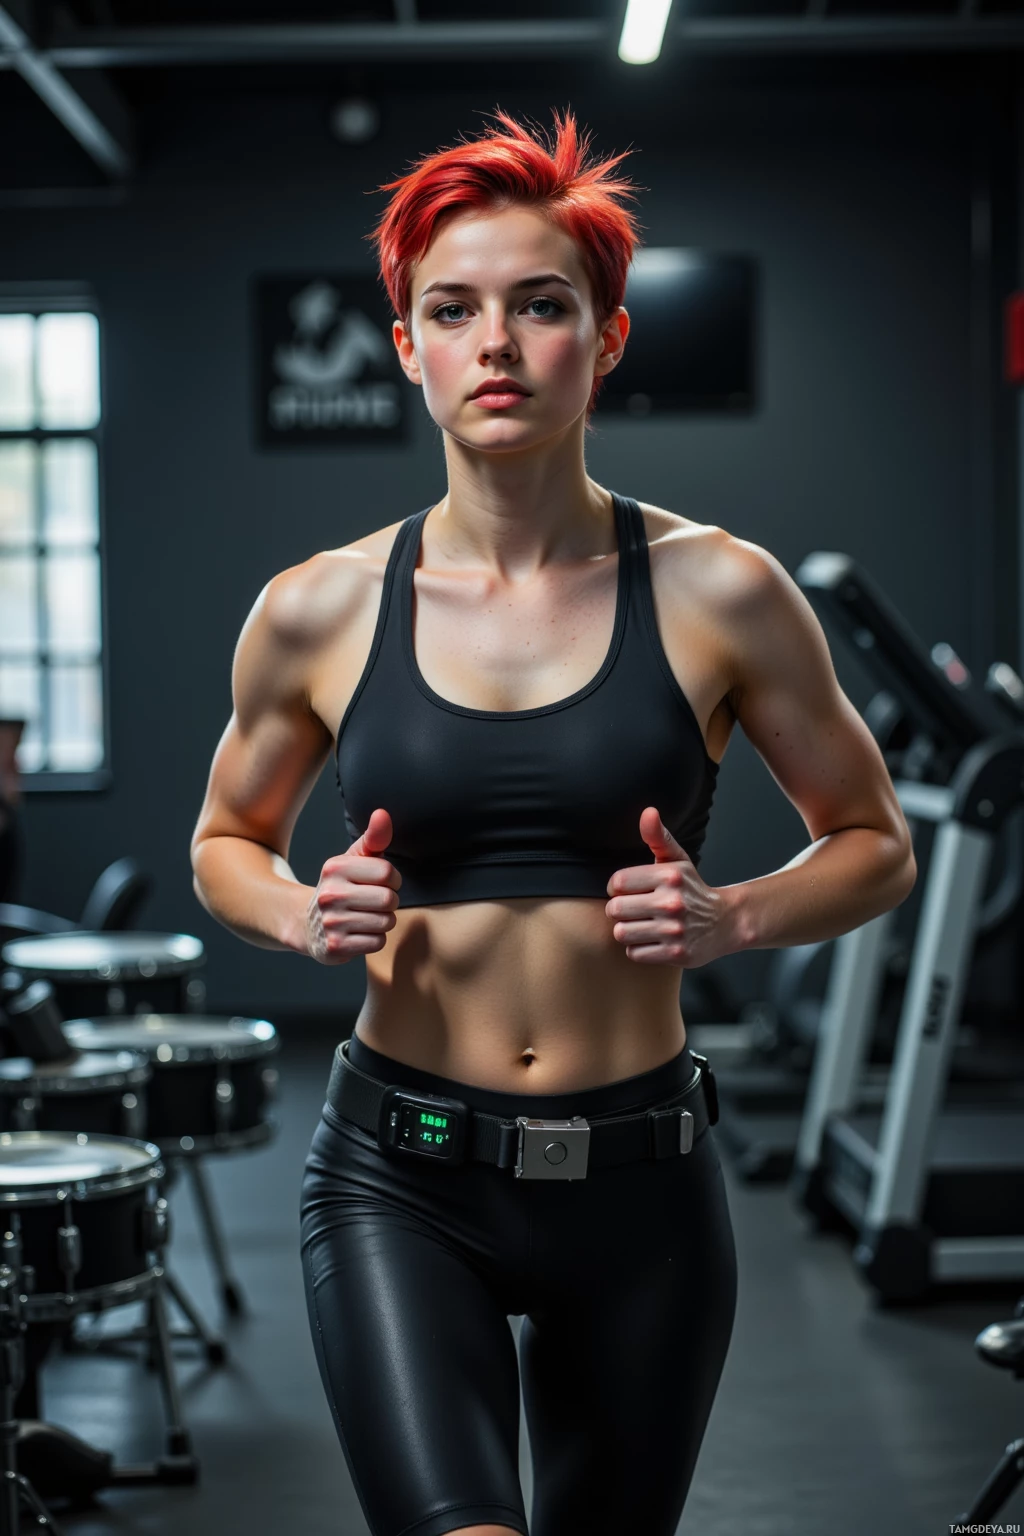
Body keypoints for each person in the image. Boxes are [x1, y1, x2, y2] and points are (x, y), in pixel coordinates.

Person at [191, 110, 916, 1536]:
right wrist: (296, 908)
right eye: (452, 310)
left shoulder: (722, 589)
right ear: (407, 346)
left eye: (542, 305)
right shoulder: (319, 605)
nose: (498, 344)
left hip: (640, 1187)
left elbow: (875, 840)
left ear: (609, 338)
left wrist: (737, 915)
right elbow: (223, 840)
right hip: (399, 1179)